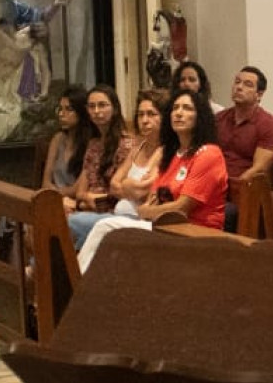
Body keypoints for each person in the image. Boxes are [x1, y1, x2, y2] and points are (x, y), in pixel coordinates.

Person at [76, 91, 231, 269]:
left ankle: (75, 286)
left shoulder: (208, 153)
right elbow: (152, 197)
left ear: (200, 116)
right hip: (164, 227)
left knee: (106, 226)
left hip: (195, 232)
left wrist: (145, 212)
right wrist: (147, 210)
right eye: (175, 108)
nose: (179, 113)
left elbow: (181, 208)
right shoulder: (173, 154)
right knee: (109, 239)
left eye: (187, 108)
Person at [72, 89, 167, 251]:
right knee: (83, 239)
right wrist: (130, 186)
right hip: (118, 216)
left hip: (137, 220)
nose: (144, 120)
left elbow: (143, 190)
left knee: (73, 222)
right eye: (140, 115)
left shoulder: (164, 151)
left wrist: (127, 185)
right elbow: (114, 185)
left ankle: (40, 271)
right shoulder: (138, 147)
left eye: (151, 114)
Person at [214, 65, 273, 231]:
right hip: (214, 187)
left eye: (247, 84)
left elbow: (258, 169)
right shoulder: (219, 119)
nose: (239, 87)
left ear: (259, 95)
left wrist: (227, 189)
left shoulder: (269, 125)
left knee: (224, 212)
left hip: (244, 194)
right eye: (237, 82)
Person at [63, 86, 133, 246]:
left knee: (65, 224)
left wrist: (87, 201)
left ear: (114, 108)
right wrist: (86, 200)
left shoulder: (127, 144)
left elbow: (117, 193)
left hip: (112, 210)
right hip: (88, 206)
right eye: (91, 106)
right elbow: (80, 191)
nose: (96, 111)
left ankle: (35, 269)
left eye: (102, 105)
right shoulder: (93, 144)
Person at [42, 88, 92, 193]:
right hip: (54, 198)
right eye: (60, 109)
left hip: (77, 201)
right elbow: (46, 182)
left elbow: (77, 189)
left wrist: (59, 195)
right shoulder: (58, 139)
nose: (61, 114)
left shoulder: (91, 143)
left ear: (81, 112)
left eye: (69, 109)